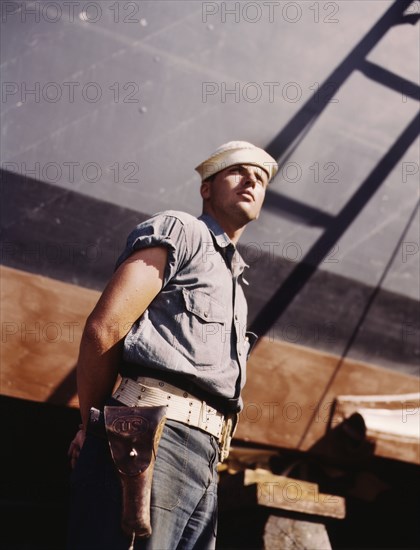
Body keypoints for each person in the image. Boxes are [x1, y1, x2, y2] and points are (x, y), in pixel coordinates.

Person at [67, 141, 278, 549]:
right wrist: (94, 427)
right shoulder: (183, 230)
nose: (252, 179)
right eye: (238, 171)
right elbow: (104, 329)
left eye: (262, 178)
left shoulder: (236, 284)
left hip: (205, 459)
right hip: (152, 439)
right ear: (207, 189)